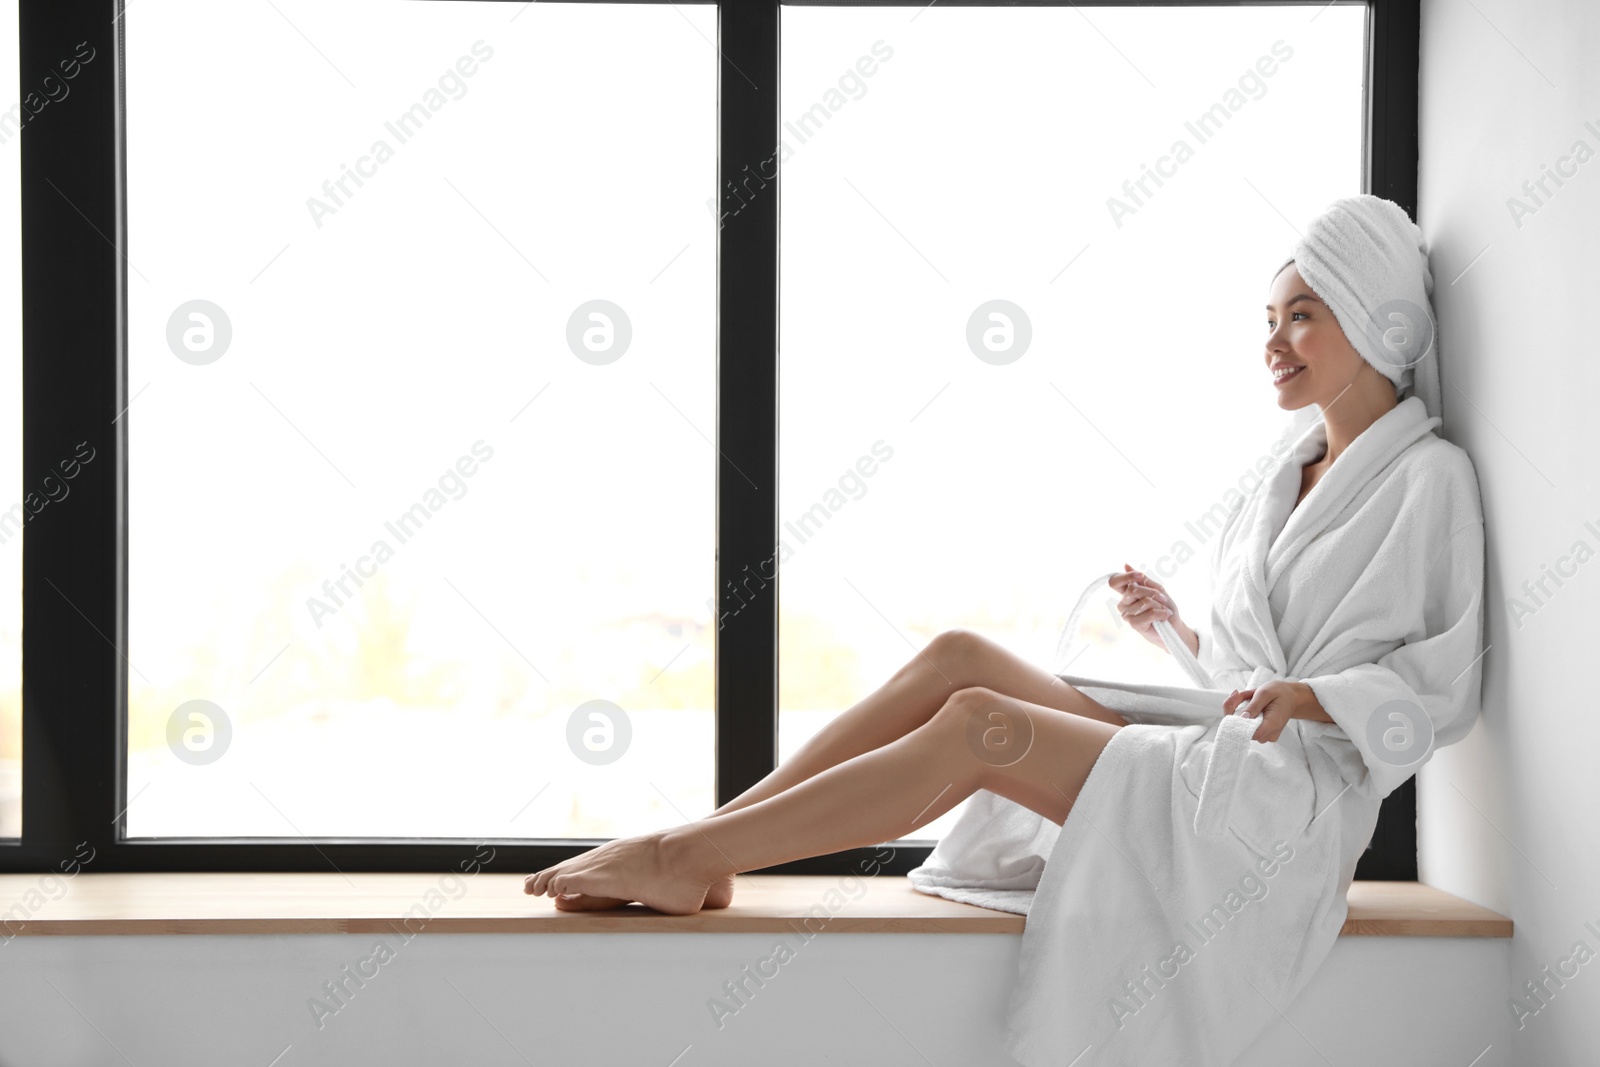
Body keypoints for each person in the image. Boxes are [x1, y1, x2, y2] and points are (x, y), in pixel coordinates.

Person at [525, 196, 1486, 1066]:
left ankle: (687, 860)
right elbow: (1250, 670)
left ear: (1375, 316)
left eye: (1302, 316)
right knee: (957, 655)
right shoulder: (1284, 474)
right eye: (1268, 321)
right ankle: (711, 833)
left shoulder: (1427, 479)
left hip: (1283, 810)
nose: (1274, 342)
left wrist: (1315, 696)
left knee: (982, 720)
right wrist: (1178, 634)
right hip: (1217, 754)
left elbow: (1442, 688)